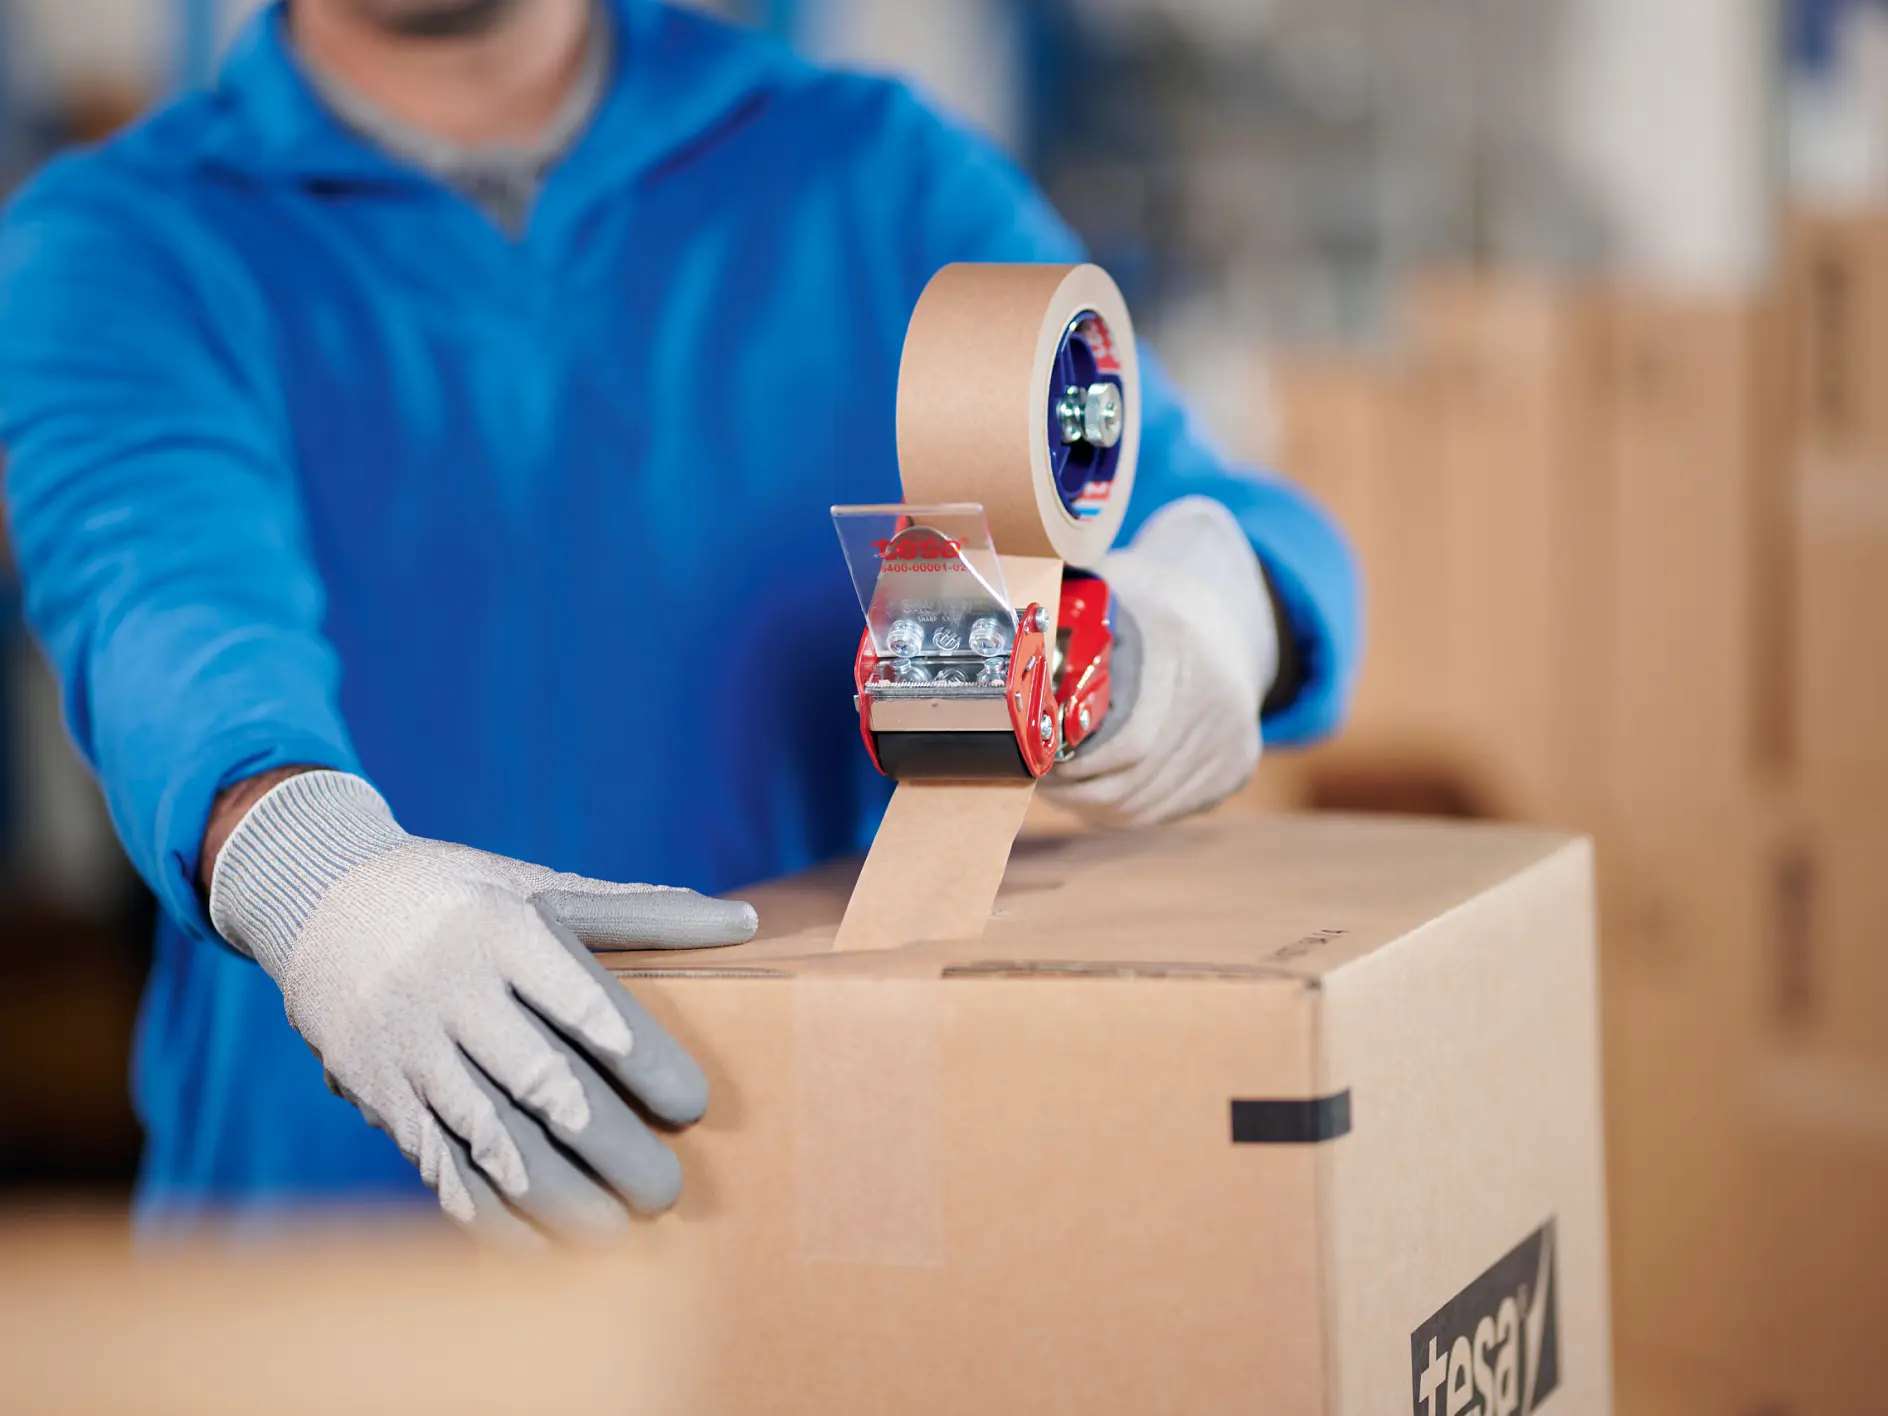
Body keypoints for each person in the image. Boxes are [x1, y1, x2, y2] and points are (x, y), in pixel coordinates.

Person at [0, 0, 1358, 1238]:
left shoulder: (869, 178)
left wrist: (1209, 619)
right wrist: (317, 879)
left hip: (801, 1220)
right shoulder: (125, 242)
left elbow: (1216, 514)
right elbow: (160, 609)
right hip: (331, 1265)